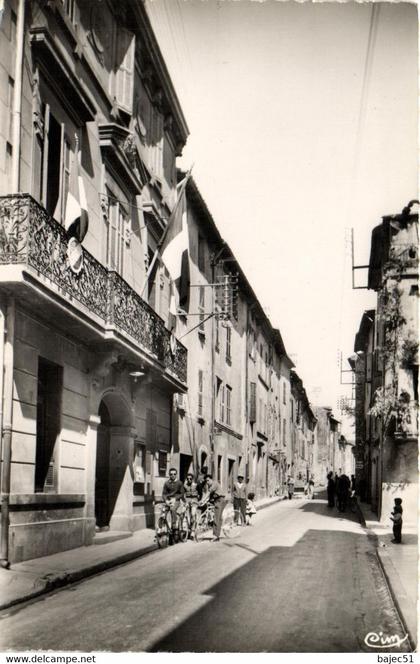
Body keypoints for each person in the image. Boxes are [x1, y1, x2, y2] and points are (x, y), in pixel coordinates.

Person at [162, 468, 184, 534]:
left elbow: (182, 493)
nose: (173, 475)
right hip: (168, 500)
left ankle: (174, 526)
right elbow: (164, 493)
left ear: (176, 474)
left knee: (173, 509)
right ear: (169, 475)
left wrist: (175, 498)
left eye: (174, 474)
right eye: (171, 474)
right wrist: (166, 500)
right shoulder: (166, 483)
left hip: (176, 500)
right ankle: (162, 527)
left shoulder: (179, 483)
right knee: (163, 511)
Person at [205, 475, 227, 541]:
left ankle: (215, 536)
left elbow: (208, 493)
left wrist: (202, 500)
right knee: (219, 518)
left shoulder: (214, 484)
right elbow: (209, 495)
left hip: (219, 500)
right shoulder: (211, 485)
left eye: (208, 480)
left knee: (216, 518)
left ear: (211, 479)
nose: (207, 482)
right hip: (218, 500)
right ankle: (217, 535)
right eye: (206, 481)